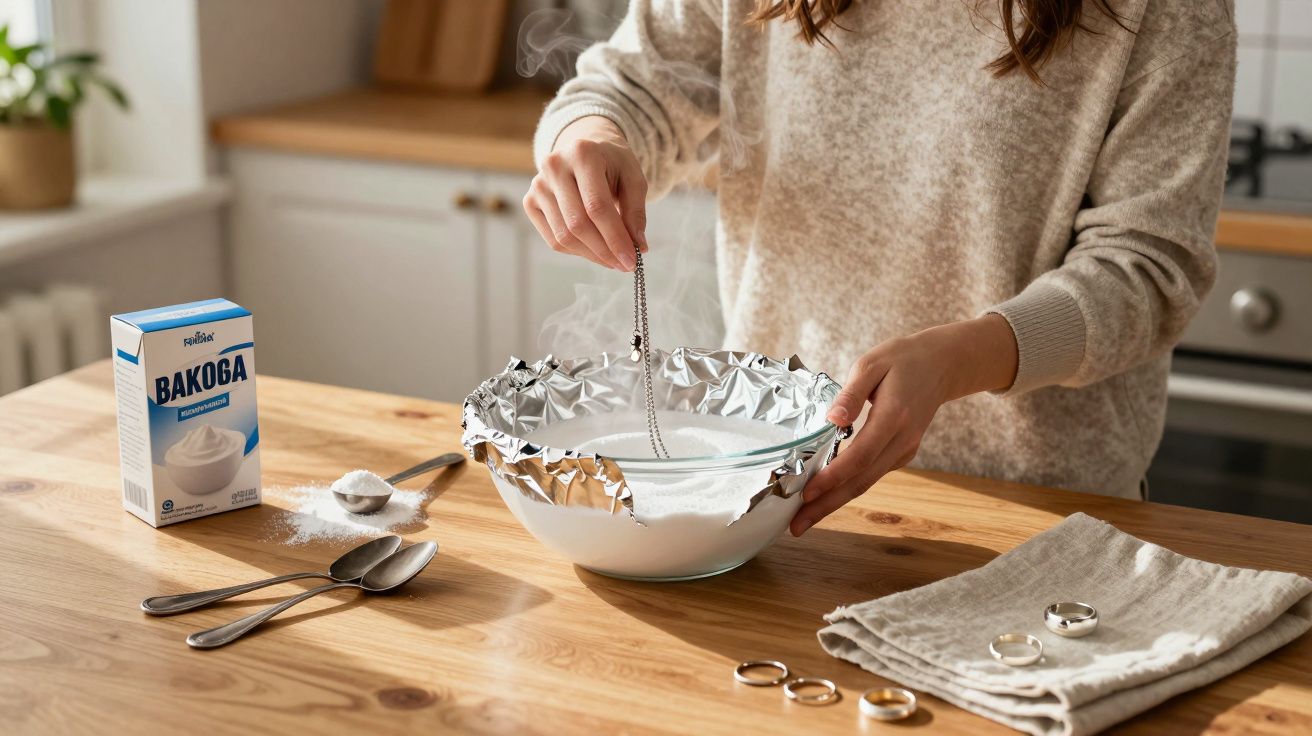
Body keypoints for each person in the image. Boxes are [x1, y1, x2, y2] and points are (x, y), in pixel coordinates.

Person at [523, 0, 1236, 535]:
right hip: (782, 496)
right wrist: (591, 139)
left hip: (1037, 517)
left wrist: (959, 361)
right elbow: (629, 85)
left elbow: (1148, 267)